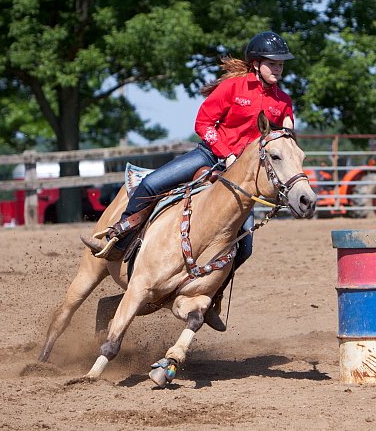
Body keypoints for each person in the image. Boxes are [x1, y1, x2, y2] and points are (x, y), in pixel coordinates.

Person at [80, 31, 296, 330]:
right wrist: (225, 153)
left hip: (242, 178)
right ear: (256, 63)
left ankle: (211, 295)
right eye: (273, 63)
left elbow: (281, 138)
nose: (279, 69)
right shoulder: (233, 88)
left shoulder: (282, 101)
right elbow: (203, 123)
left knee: (244, 247)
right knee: (152, 183)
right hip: (209, 156)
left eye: (282, 64)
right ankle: (118, 240)